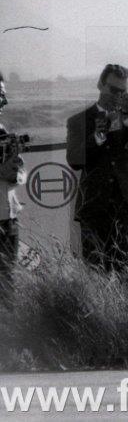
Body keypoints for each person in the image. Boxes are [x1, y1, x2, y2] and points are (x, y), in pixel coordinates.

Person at [66, 64, 128, 274]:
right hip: (95, 208)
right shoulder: (78, 121)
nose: (118, 96)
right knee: (96, 274)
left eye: (124, 92)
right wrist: (96, 138)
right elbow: (74, 160)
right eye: (114, 90)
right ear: (100, 85)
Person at [0, 72, 26, 306]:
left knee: (8, 283)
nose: (5, 101)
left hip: (8, 219)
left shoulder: (2, 130)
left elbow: (20, 174)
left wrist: (14, 172)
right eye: (0, 95)